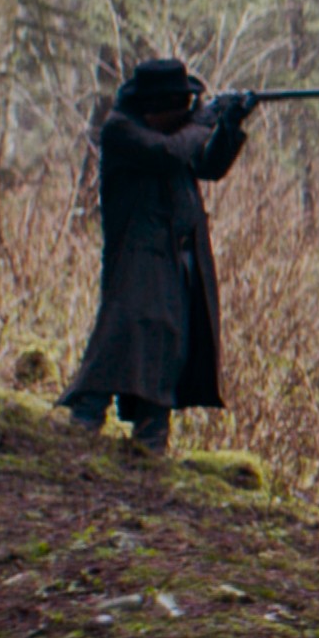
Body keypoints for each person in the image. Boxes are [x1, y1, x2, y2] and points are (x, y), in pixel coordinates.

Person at [60, 58, 260, 451]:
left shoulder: (174, 134)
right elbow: (168, 153)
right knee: (122, 334)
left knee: (172, 344)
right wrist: (202, 120)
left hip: (177, 252)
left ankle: (150, 437)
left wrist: (229, 123)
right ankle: (85, 419)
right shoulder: (122, 129)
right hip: (137, 253)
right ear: (155, 105)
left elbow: (209, 166)